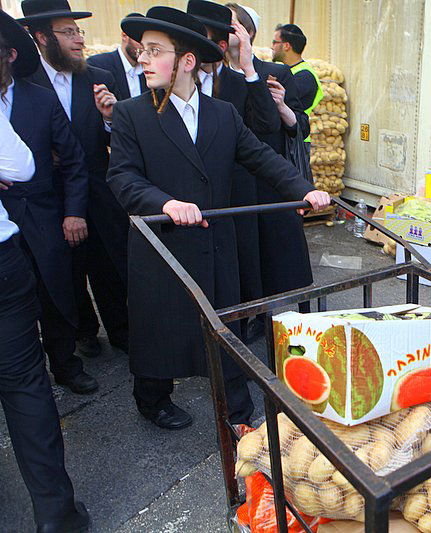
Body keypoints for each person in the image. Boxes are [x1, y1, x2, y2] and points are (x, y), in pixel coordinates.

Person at [106, 7, 329, 430]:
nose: (142, 59)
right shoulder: (131, 114)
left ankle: (238, 414)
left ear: (187, 61)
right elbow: (122, 177)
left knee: (224, 331)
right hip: (163, 248)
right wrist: (165, 203)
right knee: (160, 328)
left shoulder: (222, 113)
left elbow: (262, 158)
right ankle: (152, 399)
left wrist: (304, 189)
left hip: (214, 246)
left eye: (154, 51)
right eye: (142, 51)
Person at [0, 11, 90, 531]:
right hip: (6, 238)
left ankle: (68, 363)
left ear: (14, 57)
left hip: (40, 221)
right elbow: (19, 163)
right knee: (20, 378)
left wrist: (74, 211)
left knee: (58, 295)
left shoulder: (37, 98)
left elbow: (72, 160)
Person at [20, 0, 130, 361]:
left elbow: (123, 143)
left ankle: (121, 330)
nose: (78, 40)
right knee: (65, 272)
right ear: (41, 37)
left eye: (78, 31)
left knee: (109, 266)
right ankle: (83, 331)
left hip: (99, 192)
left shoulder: (100, 78)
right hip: (49, 197)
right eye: (68, 32)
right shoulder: (23, 83)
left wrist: (113, 119)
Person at [187, 0, 285, 324]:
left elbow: (267, 128)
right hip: (188, 192)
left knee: (242, 261)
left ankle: (247, 320)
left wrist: (249, 69)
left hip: (236, 189)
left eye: (202, 36)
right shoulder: (173, 84)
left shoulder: (240, 81)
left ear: (217, 45)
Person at [227, 2, 316, 330]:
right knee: (243, 255)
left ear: (248, 32)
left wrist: (281, 107)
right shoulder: (212, 76)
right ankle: (249, 315)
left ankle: (290, 322)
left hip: (271, 180)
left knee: (280, 253)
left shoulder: (274, 73)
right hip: (233, 184)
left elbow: (300, 126)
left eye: (233, 24)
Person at [273, 23, 323, 144]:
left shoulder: (304, 76)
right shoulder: (287, 71)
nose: (272, 47)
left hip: (296, 141)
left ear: (286, 46)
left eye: (274, 42)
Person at [86, 13, 146, 101]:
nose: (143, 46)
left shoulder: (150, 69)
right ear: (124, 35)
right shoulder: (98, 65)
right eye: (138, 39)